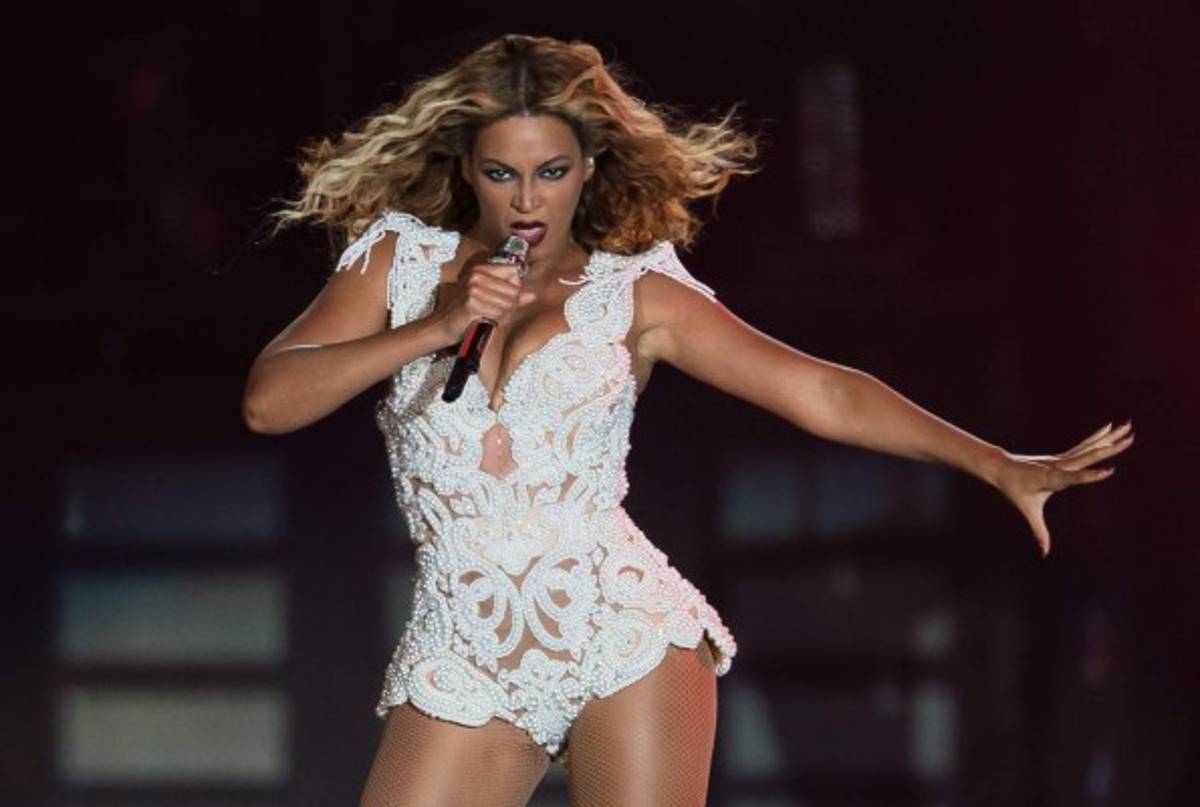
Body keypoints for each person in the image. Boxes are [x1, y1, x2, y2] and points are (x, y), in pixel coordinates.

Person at [242, 33, 1134, 807]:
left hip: (619, 627)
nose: (527, 202)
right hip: (463, 640)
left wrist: (997, 463)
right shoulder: (400, 263)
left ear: (588, 168)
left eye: (551, 173)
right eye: (503, 173)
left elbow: (823, 392)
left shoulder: (636, 294)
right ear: (467, 169)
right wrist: (437, 326)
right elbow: (269, 400)